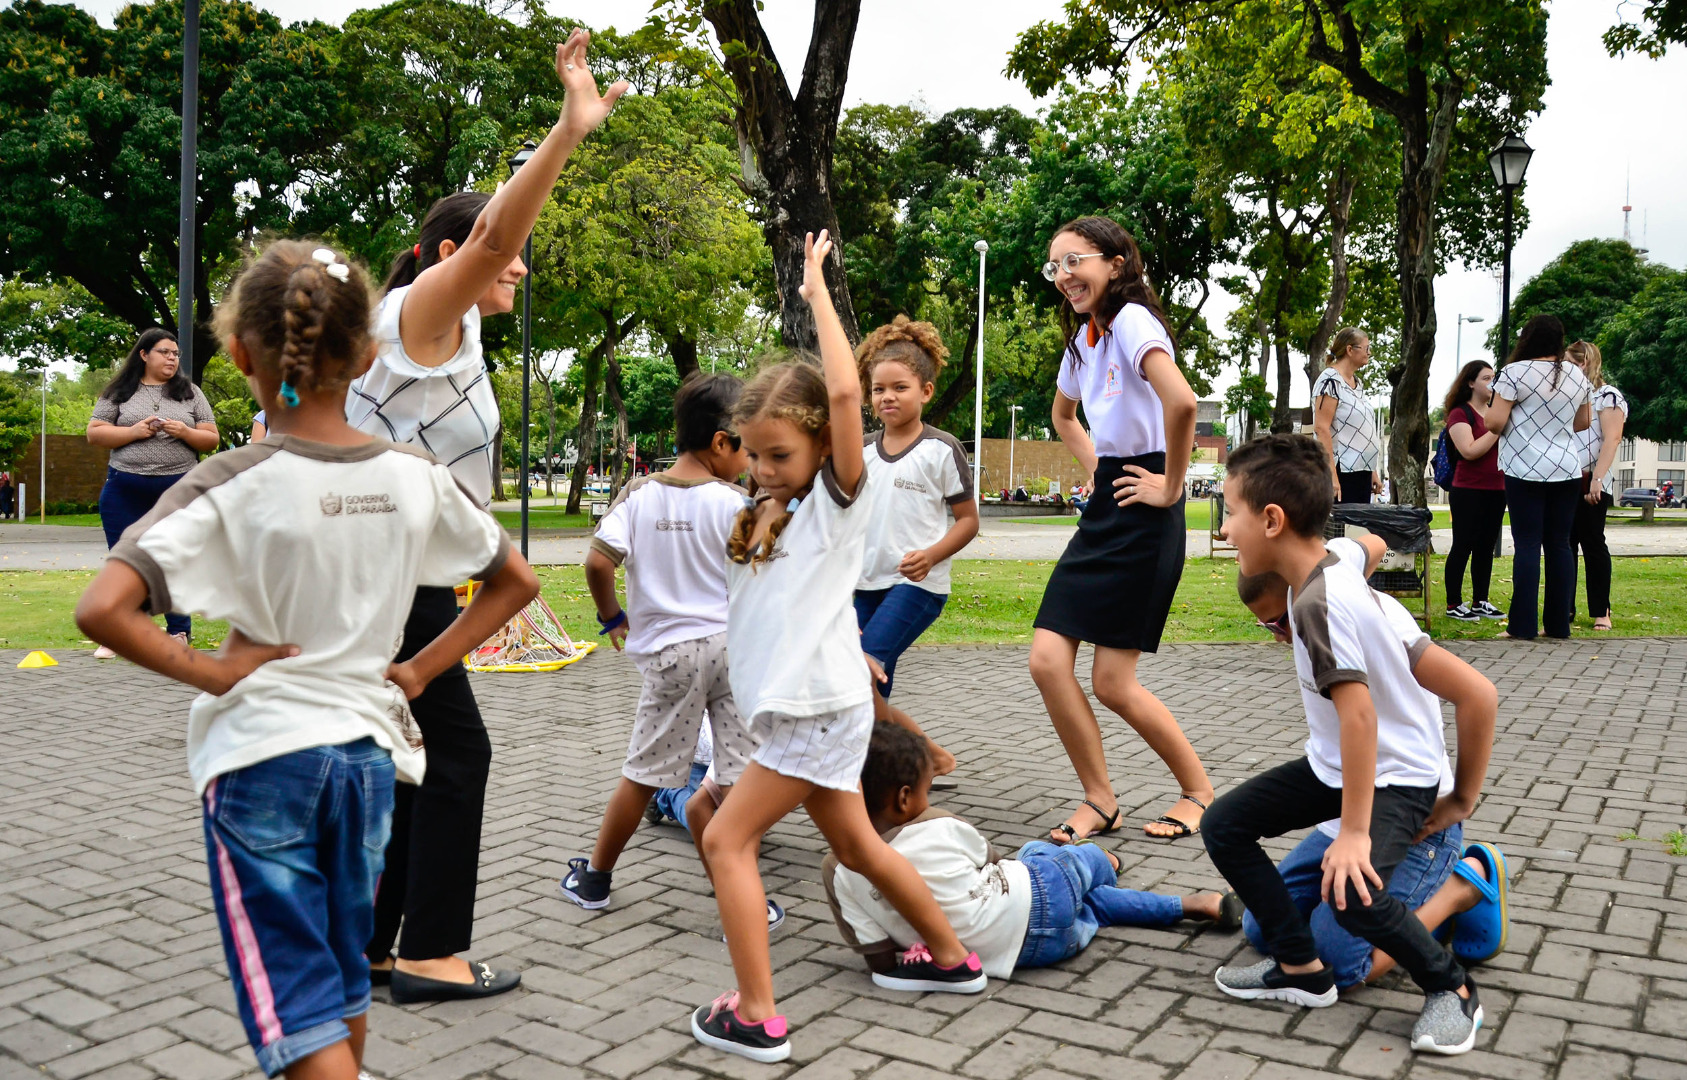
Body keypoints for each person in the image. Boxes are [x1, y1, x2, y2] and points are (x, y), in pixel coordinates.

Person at [72, 239, 539, 1080]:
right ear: (366, 353)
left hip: (261, 764)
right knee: (343, 974)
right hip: (366, 764)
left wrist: (213, 673)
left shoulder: (229, 478)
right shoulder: (415, 476)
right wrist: (421, 670)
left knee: (294, 1011)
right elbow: (514, 582)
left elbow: (103, 608)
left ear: (240, 353)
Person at [354, 31, 626, 1003]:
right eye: (504, 256)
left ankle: (382, 944)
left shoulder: (449, 337)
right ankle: (430, 951)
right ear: (446, 254)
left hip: (406, 572)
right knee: (456, 750)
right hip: (383, 573)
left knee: (414, 756)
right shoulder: (417, 320)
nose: (520, 268)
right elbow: (495, 241)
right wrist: (566, 129)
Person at [689, 232, 984, 1065]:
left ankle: (756, 1012)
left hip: (810, 712)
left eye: (782, 454)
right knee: (855, 846)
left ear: (823, 448)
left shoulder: (837, 502)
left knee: (724, 841)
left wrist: (816, 290)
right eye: (751, 452)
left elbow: (847, 396)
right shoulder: (758, 511)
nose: (764, 466)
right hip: (816, 706)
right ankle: (952, 962)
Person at [1206, 433, 1483, 1056]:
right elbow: (1369, 543)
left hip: (1396, 776)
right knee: (1225, 824)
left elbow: (1359, 717)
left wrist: (1354, 833)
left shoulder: (1315, 605)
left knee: (1357, 896)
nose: (1225, 530)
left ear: (1272, 521)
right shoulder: (1332, 556)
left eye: (1230, 512)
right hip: (1336, 768)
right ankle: (1300, 971)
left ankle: (1453, 989)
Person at [1236, 542, 1510, 989]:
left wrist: (1460, 799)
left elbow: (1478, 694)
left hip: (1412, 817)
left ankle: (1463, 886)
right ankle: (1391, 908)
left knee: (1339, 963)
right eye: (1266, 626)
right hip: (1353, 814)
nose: (1279, 635)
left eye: (1278, 622)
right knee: (1262, 927)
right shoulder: (1328, 575)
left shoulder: (1368, 623)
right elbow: (1372, 544)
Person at [1029, 215, 1213, 843]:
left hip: (1149, 511)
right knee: (1048, 660)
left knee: (1112, 681)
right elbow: (1063, 415)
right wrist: (1099, 470)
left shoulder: (1134, 320)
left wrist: (1172, 485)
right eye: (1054, 266)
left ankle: (1198, 792)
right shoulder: (1085, 340)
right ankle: (1101, 800)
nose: (1063, 276)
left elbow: (1182, 403)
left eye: (1074, 260)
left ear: (1115, 261)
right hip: (1112, 502)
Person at [560, 373, 766, 914]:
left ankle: (596, 879)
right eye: (749, 447)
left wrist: (613, 619)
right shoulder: (737, 502)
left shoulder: (638, 494)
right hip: (732, 650)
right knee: (740, 778)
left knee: (645, 775)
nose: (751, 461)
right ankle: (742, 898)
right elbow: (765, 570)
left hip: (671, 659)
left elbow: (597, 562)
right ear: (721, 442)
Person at [824, 722, 1241, 981]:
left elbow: (879, 961)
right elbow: (993, 860)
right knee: (1037, 854)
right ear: (903, 799)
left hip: (1033, 952)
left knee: (1095, 909)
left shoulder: (836, 870)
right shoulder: (938, 823)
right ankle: (1103, 860)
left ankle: (1185, 905)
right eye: (924, 789)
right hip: (1041, 897)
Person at [854, 316, 979, 776]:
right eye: (877, 389)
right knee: (865, 691)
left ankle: (914, 764)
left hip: (916, 589)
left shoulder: (941, 450)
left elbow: (968, 522)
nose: (887, 397)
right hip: (864, 585)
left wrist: (932, 555)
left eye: (899, 387)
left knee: (861, 673)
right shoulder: (861, 450)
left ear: (925, 391)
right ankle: (917, 761)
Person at [85, 328, 219, 654]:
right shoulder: (120, 392)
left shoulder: (190, 393)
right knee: (125, 564)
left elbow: (211, 438)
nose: (172, 359)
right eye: (164, 352)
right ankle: (122, 634)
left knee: (173, 560)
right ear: (144, 355)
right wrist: (132, 431)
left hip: (176, 490)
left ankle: (178, 632)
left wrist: (186, 431)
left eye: (175, 354)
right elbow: (95, 433)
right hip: (124, 489)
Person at [1484, 315, 1592, 641]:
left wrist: (1525, 426)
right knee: (1560, 544)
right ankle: (1559, 625)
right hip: (1566, 467)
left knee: (1528, 544)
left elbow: (1493, 422)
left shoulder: (1514, 373)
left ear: (1528, 337)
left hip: (1524, 467)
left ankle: (1522, 626)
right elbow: (1584, 421)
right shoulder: (1576, 374)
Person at [1440, 361, 1506, 623]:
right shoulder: (1460, 413)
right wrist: (1496, 430)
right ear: (1470, 383)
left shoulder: (1495, 412)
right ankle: (1453, 602)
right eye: (1486, 378)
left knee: (1485, 546)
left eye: (1494, 378)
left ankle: (1481, 600)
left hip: (1497, 488)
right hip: (1468, 490)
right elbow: (1468, 450)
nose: (1492, 383)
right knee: (1463, 544)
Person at [1312, 328, 1382, 504]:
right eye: (1366, 348)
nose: (1369, 353)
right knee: (1341, 529)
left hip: (1361, 472)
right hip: (1341, 470)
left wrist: (1372, 471)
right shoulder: (1330, 381)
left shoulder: (1357, 384)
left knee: (1358, 529)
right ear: (1350, 350)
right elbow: (1321, 428)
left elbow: (1359, 431)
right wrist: (1332, 477)